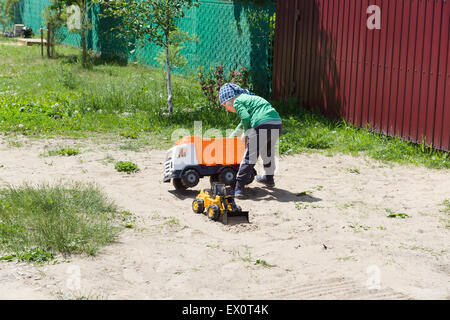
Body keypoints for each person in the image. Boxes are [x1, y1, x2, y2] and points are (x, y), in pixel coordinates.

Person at [219, 83, 282, 198]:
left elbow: (246, 119)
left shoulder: (237, 102)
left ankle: (238, 188)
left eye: (225, 106)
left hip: (261, 124)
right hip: (276, 124)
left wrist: (247, 132)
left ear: (229, 100)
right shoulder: (250, 99)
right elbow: (243, 123)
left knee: (249, 157)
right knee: (267, 153)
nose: (226, 109)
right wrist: (233, 136)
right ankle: (269, 179)